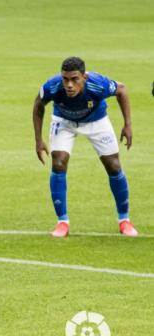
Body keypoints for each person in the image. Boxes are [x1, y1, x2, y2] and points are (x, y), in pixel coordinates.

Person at [32, 56, 137, 237]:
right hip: (64, 121)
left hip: (96, 121)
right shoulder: (53, 86)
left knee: (114, 166)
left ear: (84, 77)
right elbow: (38, 104)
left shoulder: (98, 84)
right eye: (66, 79)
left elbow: (122, 89)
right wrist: (38, 139)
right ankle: (62, 223)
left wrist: (127, 124)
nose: (69, 85)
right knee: (58, 163)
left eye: (74, 79)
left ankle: (124, 220)